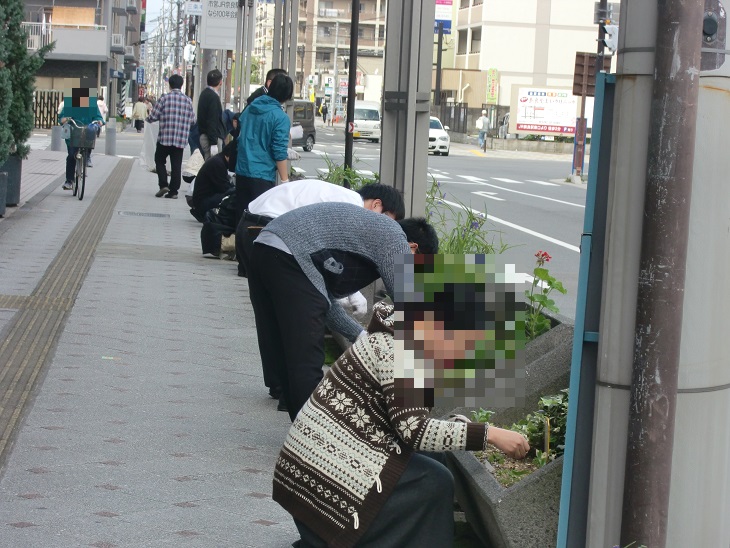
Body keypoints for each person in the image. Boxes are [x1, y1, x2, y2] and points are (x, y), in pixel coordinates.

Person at [272, 265, 530, 547]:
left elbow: (405, 422)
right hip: (322, 477)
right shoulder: (403, 353)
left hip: (312, 469)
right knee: (434, 481)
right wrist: (489, 434)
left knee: (433, 461)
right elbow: (414, 431)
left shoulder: (401, 337)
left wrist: (460, 429)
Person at [247, 202, 439, 421]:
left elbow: (323, 302)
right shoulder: (395, 238)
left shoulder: (370, 235)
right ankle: (313, 431)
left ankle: (299, 421)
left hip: (264, 246)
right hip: (289, 252)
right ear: (413, 248)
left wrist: (359, 334)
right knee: (306, 355)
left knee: (286, 346)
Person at [236, 181, 406, 278]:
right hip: (267, 232)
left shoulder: (343, 196)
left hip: (250, 226)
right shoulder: (351, 206)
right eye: (386, 221)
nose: (385, 230)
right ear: (376, 204)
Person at [234, 73, 294, 224]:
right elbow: (279, 152)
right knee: (259, 223)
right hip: (262, 175)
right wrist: (285, 180)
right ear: (287, 95)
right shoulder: (280, 117)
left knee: (241, 219)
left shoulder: (251, 108)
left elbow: (240, 133)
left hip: (242, 170)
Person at [147, 74, 196, 199]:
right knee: (176, 166)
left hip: (165, 138)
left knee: (159, 160)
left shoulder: (164, 98)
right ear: (181, 85)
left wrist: (148, 119)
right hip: (180, 139)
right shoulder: (187, 100)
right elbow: (193, 120)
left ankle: (163, 184)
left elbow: (154, 116)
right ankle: (173, 192)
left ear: (170, 85)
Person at [58, 84, 104, 190]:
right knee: (71, 155)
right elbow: (62, 118)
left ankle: (87, 157)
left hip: (85, 132)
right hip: (73, 134)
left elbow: (98, 117)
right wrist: (65, 119)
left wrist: (99, 121)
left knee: (90, 137)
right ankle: (69, 180)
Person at [189, 140, 236, 222]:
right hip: (203, 203)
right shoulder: (217, 163)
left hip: (204, 199)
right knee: (231, 196)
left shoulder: (219, 160)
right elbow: (224, 187)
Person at [197, 69, 226, 160]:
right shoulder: (213, 97)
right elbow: (212, 120)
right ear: (220, 82)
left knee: (208, 162)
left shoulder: (204, 94)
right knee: (213, 164)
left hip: (204, 135)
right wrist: (214, 143)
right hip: (212, 138)